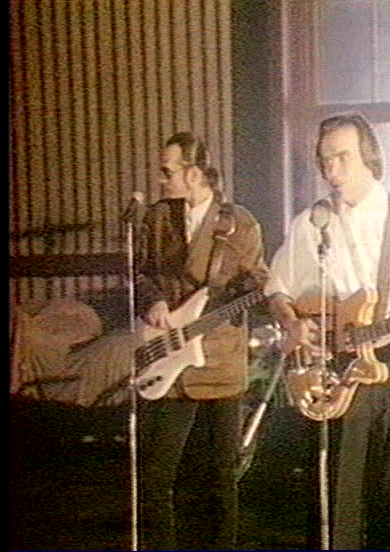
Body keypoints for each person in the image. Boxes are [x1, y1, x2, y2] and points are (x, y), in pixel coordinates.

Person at [264, 112, 390, 550]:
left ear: (369, 158)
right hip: (333, 373)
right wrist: (291, 322)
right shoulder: (310, 223)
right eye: (325, 159)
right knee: (335, 504)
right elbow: (277, 288)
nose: (332, 170)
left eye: (343, 157)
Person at [134, 131, 270, 550]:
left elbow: (260, 284)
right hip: (167, 361)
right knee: (156, 477)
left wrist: (244, 294)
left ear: (194, 174)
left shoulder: (240, 223)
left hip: (221, 361)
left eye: (167, 171)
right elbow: (139, 273)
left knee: (220, 477)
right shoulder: (157, 218)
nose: (161, 180)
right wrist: (153, 300)